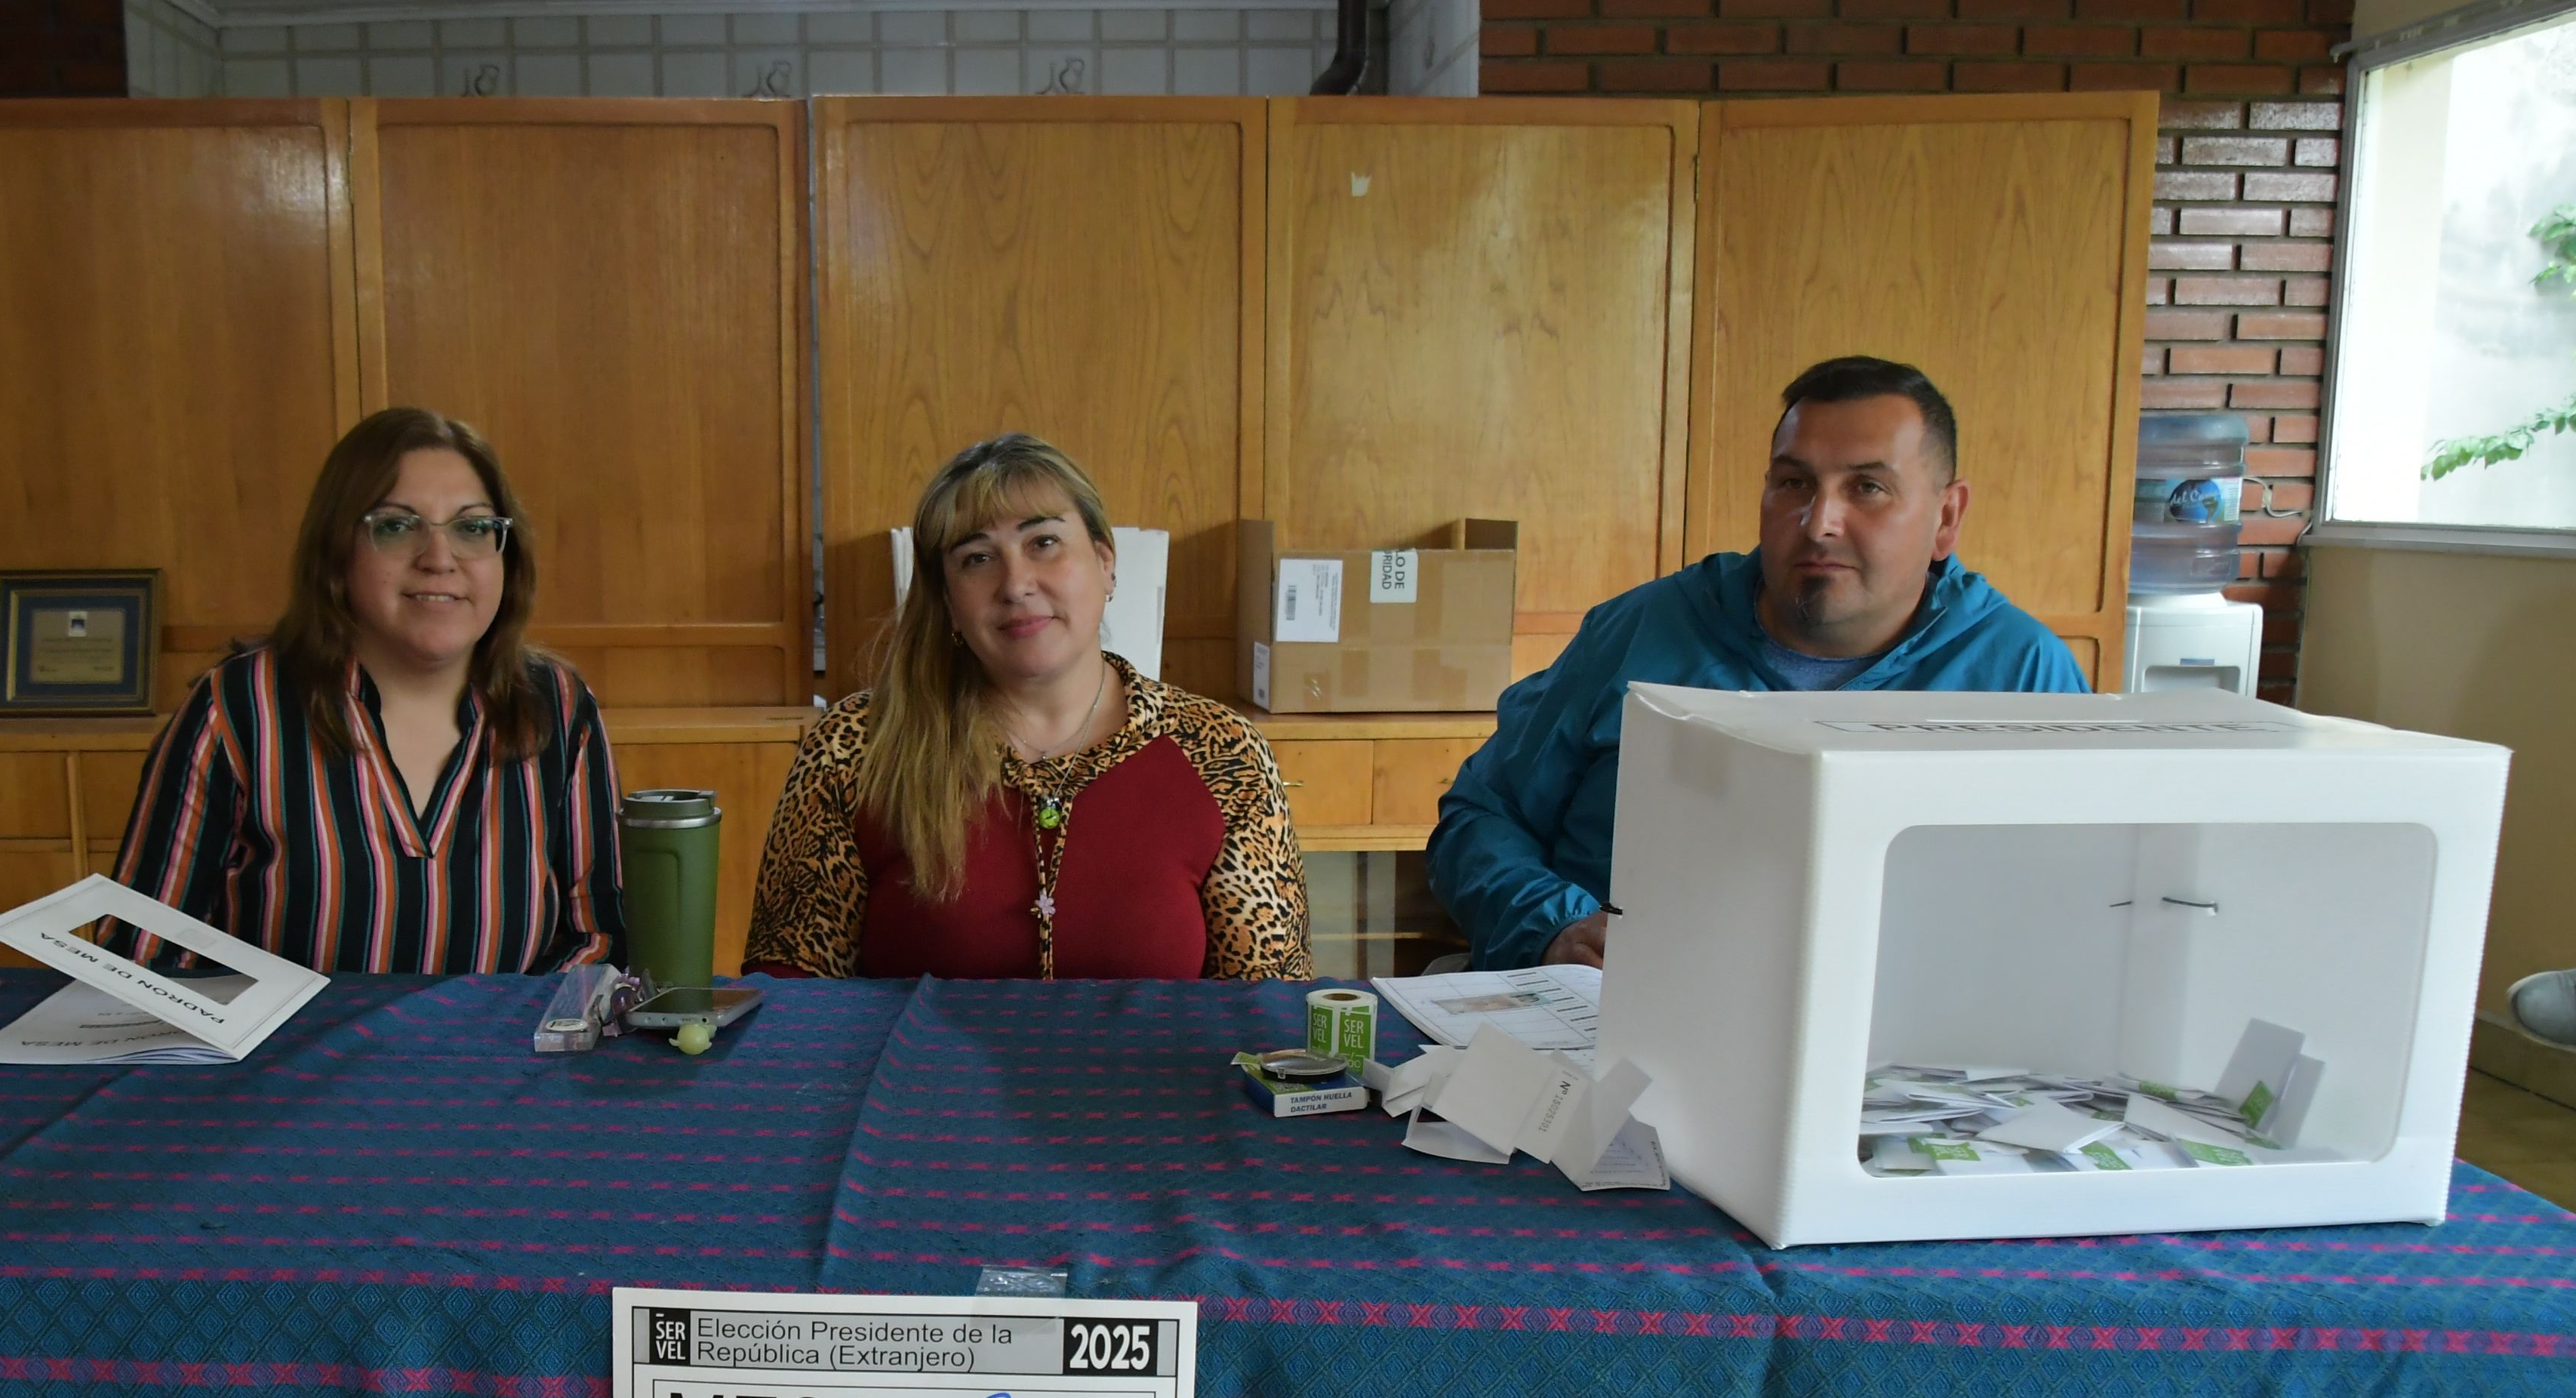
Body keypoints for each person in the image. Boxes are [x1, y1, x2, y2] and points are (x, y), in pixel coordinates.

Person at [1428, 356, 2088, 972]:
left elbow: (2079, 908)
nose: (1820, 521)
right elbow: (1480, 818)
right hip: (1624, 1018)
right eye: (1794, 482)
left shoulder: (2026, 677)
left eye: (1868, 487)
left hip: (1912, 1057)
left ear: (1946, 517)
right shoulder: (1640, 632)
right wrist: (1554, 928)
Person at [745, 433, 1311, 981]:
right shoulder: (857, 745)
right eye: (976, 558)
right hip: (917, 1081)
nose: (1015, 584)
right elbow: (791, 1003)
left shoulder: (1222, 750)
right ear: (946, 599)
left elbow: (1271, 1011)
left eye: (1043, 543)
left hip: (1151, 1080)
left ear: (1106, 561)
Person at [108, 405, 622, 974]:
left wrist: (498, 1044)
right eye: (397, 526)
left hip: (495, 1059)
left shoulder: (558, 705)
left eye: (473, 527)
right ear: (337, 554)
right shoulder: (239, 706)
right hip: (288, 1061)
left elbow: (597, 936)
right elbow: (139, 948)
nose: (440, 559)